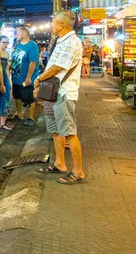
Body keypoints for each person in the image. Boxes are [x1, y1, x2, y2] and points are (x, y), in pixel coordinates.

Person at [35, 10, 85, 185]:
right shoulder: (60, 41)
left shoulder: (72, 42)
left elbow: (57, 67)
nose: (51, 25)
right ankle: (60, 163)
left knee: (69, 132)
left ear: (61, 24)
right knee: (56, 131)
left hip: (64, 93)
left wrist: (39, 79)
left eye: (53, 22)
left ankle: (78, 170)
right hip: (53, 93)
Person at [10, 26, 40, 126]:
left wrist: (28, 77)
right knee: (17, 96)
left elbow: (33, 62)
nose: (16, 35)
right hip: (16, 77)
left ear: (25, 34)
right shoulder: (17, 44)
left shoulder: (32, 45)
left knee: (29, 97)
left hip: (26, 78)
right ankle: (19, 114)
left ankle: (30, 117)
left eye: (18, 33)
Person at [0, 36, 13, 131]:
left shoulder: (7, 54)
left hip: (4, 77)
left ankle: (2, 123)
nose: (6, 44)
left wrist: (9, 82)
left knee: (6, 98)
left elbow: (6, 69)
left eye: (7, 42)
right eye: (4, 42)